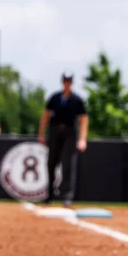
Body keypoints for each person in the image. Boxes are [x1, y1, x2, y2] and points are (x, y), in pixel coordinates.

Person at [37, 71, 89, 207]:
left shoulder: (77, 100)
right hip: (54, 132)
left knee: (67, 164)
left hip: (70, 133)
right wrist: (41, 134)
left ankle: (67, 196)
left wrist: (82, 138)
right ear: (62, 82)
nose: (67, 83)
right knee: (51, 163)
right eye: (65, 80)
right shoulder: (54, 98)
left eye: (69, 81)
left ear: (72, 83)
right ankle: (49, 194)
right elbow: (45, 115)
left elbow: (84, 119)